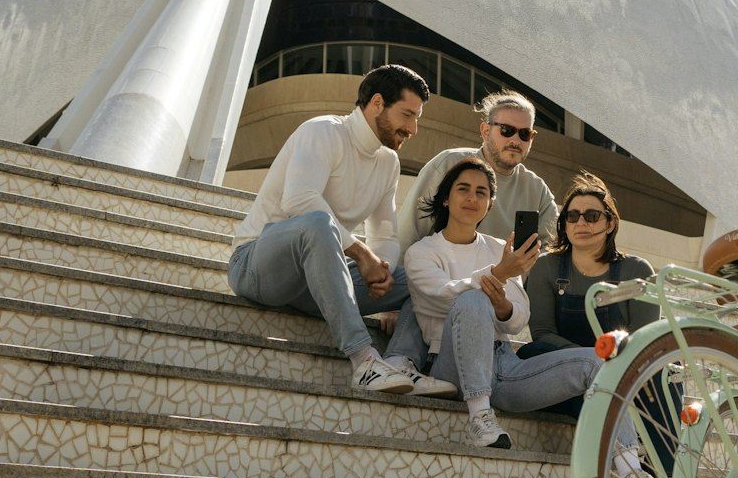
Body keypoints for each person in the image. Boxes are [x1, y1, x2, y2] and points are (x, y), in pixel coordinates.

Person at [227, 64, 456, 398]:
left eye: (417, 118)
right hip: (256, 266)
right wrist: (362, 254)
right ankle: (364, 360)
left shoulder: (388, 163)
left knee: (419, 279)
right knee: (318, 223)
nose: (413, 128)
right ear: (377, 103)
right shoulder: (323, 132)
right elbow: (299, 200)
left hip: (317, 283)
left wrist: (384, 268)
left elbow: (386, 236)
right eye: (407, 115)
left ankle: (400, 362)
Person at [404, 157, 602, 450]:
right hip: (452, 368)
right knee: (472, 299)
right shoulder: (421, 252)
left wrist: (502, 306)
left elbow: (519, 319)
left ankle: (627, 466)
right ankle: (480, 417)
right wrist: (498, 274)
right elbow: (442, 294)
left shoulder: (499, 249)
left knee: (599, 364)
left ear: (490, 203)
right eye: (463, 189)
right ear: (446, 198)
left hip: (504, 365)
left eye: (481, 192)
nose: (472, 197)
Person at [387, 91, 559, 374]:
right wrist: (392, 301)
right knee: (427, 291)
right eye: (506, 130)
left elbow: (554, 249)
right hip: (436, 278)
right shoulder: (450, 164)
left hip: (491, 296)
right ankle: (400, 361)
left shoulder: (536, 189)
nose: (515, 140)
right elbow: (409, 228)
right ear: (484, 129)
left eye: (525, 134)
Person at [522, 173, 663, 478]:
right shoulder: (546, 267)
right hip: (564, 372)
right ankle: (630, 471)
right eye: (572, 216)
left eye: (592, 215)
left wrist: (611, 366)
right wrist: (592, 359)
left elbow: (645, 339)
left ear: (611, 223)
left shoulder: (635, 270)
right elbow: (542, 334)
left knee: (664, 380)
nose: (580, 222)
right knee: (535, 351)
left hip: (624, 371)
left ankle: (662, 477)